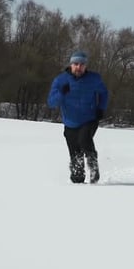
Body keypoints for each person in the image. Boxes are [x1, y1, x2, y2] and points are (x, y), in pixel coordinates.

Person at [47, 51, 109, 184]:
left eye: (82, 64)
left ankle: (93, 168)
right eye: (76, 64)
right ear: (71, 64)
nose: (78, 67)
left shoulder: (94, 79)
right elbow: (51, 103)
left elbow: (104, 93)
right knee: (75, 154)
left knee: (84, 140)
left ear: (86, 66)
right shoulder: (60, 80)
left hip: (89, 119)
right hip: (70, 122)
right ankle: (77, 181)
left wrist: (101, 108)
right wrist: (61, 93)